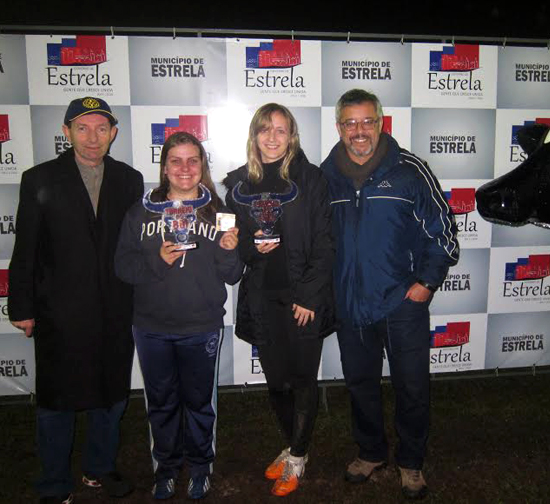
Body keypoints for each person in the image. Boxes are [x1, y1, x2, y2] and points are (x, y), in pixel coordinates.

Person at [320, 89, 459, 500]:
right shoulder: (323, 176)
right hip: (350, 305)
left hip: (402, 304)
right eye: (350, 123)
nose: (359, 131)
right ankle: (370, 451)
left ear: (381, 123)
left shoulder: (410, 170)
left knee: (412, 387)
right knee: (360, 383)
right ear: (339, 127)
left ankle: (411, 461)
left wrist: (425, 284)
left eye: (367, 122)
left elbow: (444, 233)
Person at [8, 97, 144, 504]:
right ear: (66, 132)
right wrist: (22, 307)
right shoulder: (39, 179)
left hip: (116, 309)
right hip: (59, 313)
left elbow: (136, 245)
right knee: (56, 401)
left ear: (113, 134)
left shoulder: (129, 179)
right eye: (82, 128)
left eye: (102, 129)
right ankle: (53, 482)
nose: (92, 138)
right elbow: (25, 249)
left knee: (111, 394)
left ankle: (99, 469)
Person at [114, 131, 242, 500]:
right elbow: (122, 266)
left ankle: (201, 467)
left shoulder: (219, 214)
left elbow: (231, 274)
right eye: (176, 161)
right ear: (164, 167)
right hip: (151, 327)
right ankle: (166, 468)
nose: (185, 168)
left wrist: (231, 250)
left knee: (201, 403)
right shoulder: (140, 212)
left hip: (201, 327)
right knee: (162, 403)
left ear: (202, 166)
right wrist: (157, 261)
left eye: (193, 160)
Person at [223, 103, 335, 497]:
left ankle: (299, 456)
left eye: (281, 130)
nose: (272, 137)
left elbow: (325, 243)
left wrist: (308, 296)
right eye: (264, 129)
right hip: (262, 298)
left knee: (303, 379)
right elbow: (237, 251)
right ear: (254, 136)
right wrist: (252, 250)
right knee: (276, 384)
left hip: (302, 298)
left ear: (293, 137)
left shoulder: (312, 179)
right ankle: (292, 446)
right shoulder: (238, 184)